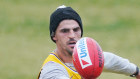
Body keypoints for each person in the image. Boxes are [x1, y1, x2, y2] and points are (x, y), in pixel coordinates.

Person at [38, 5, 140, 79]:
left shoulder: (82, 57)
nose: (72, 35)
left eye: (76, 29)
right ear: (54, 35)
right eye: (65, 31)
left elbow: (109, 61)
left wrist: (136, 71)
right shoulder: (51, 70)